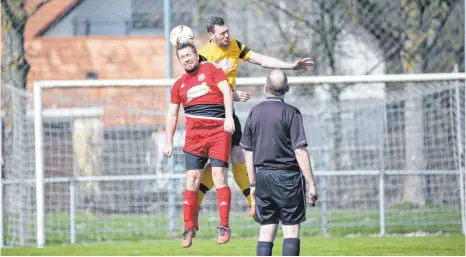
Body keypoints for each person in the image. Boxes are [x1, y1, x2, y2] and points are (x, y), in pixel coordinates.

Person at [194, 16, 315, 228]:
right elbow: (203, 91)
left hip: (227, 112)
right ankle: (197, 202)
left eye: (228, 31)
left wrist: (290, 67)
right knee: (218, 166)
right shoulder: (204, 56)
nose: (227, 35)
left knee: (238, 154)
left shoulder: (234, 45)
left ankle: (253, 202)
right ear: (211, 35)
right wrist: (232, 95)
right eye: (222, 33)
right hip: (211, 114)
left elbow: (260, 59)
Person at [239, 70, 318, 256]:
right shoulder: (292, 113)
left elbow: (247, 151)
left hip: (263, 177)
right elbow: (299, 150)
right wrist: (311, 184)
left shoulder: (254, 112)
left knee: (266, 228)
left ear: (266, 88)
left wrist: (252, 183)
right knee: (291, 228)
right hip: (288, 178)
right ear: (287, 89)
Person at [163, 43, 235, 248]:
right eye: (182, 57)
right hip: (194, 137)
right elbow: (172, 113)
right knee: (192, 179)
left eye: (189, 55)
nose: (186, 59)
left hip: (218, 132)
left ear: (196, 55)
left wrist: (229, 117)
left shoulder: (211, 69)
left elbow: (227, 91)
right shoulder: (179, 84)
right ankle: (188, 227)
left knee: (219, 175)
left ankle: (224, 226)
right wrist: (168, 142)